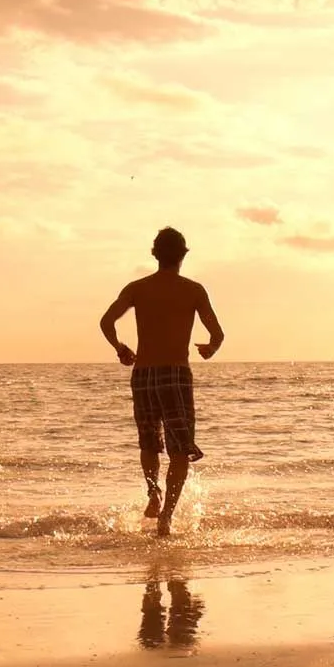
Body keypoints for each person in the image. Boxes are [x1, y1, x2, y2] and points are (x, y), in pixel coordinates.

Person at [100, 227, 225, 536]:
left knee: (149, 441)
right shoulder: (193, 290)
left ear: (155, 254)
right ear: (183, 255)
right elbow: (217, 334)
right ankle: (167, 516)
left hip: (143, 374)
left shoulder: (137, 288)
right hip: (175, 375)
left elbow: (106, 321)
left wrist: (120, 348)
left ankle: (153, 492)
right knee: (179, 450)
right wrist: (210, 349)